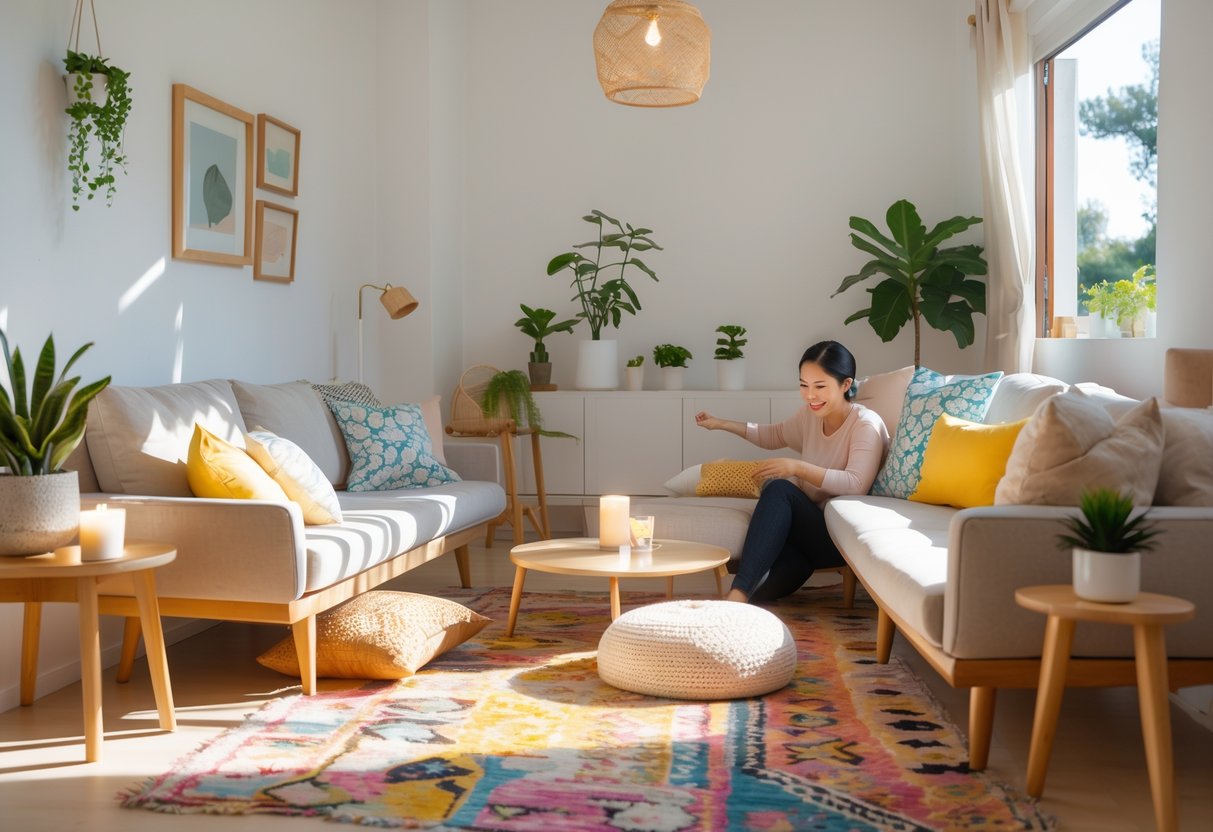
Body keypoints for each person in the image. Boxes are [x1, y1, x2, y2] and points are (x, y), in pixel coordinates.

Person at [695, 340, 889, 603]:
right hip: (806, 537)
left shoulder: (866, 424)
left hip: (840, 538)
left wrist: (797, 467)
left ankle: (736, 597)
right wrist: (721, 423)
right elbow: (774, 435)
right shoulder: (810, 416)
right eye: (803, 385)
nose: (810, 396)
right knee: (760, 592)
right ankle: (742, 596)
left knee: (780, 489)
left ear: (846, 384)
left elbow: (856, 484)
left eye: (820, 386)